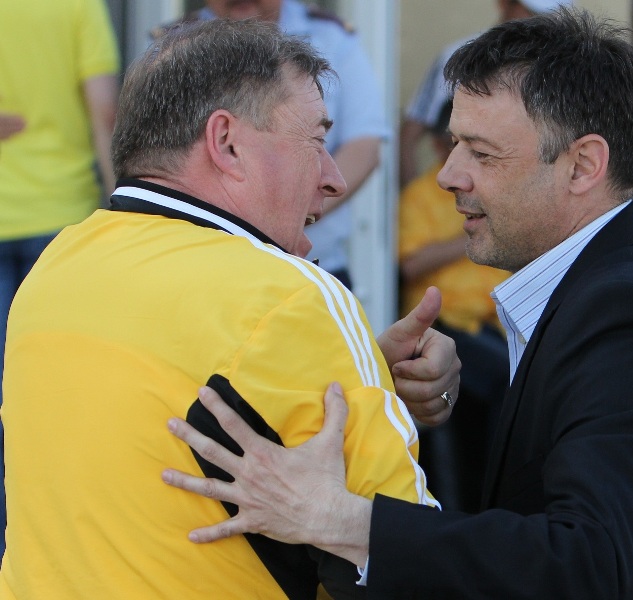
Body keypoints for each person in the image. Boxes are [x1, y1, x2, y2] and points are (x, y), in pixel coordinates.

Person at [163, 8, 633, 598]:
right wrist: (384, 381)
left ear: (583, 166)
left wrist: (338, 519)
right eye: (455, 143)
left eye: (482, 153)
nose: (448, 175)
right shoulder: (627, 282)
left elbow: (583, 564)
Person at [0, 19, 459, 598]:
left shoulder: (55, 269)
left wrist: (367, 368)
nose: (335, 179)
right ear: (227, 143)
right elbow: (416, 573)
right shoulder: (292, 296)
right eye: (317, 140)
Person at [154, 0, 387, 289]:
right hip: (203, 267)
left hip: (314, 267)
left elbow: (364, 147)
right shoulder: (171, 46)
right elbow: (157, 160)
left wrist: (292, 214)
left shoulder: (332, 37)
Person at [0, 0, 119, 558]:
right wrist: (126, 209)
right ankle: (51, 540)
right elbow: (105, 114)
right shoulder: (78, 6)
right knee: (59, 394)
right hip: (62, 219)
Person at [398, 99, 509, 511]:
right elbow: (409, 264)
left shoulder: (493, 191)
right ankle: (495, 499)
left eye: (476, 148)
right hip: (443, 325)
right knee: (507, 381)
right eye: (452, 143)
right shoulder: (421, 196)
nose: (459, 157)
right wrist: (472, 234)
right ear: (434, 144)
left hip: (492, 321)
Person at [399, 0, 572, 187]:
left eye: (552, 17)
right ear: (504, 4)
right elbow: (408, 138)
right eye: (533, 13)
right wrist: (416, 197)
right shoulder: (456, 57)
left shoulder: (567, 68)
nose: (542, 24)